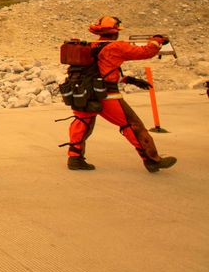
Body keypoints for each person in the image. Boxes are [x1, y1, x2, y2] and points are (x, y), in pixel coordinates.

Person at [63, 16, 177, 172]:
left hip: (84, 93)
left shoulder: (91, 45)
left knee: (82, 124)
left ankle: (75, 158)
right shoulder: (116, 46)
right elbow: (145, 52)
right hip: (106, 95)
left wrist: (126, 79)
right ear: (115, 31)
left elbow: (98, 70)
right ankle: (152, 160)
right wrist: (157, 41)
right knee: (132, 124)